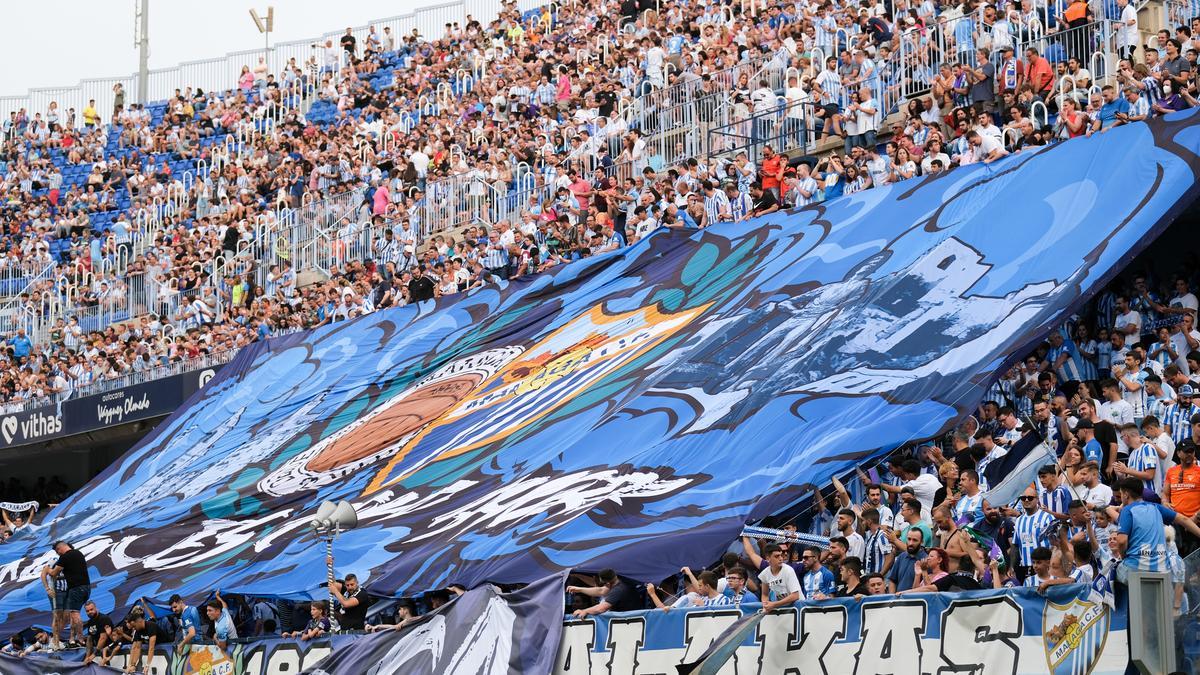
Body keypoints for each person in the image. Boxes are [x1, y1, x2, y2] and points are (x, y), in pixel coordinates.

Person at [1114, 477, 1200, 583]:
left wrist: (1124, 557)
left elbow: (1121, 541)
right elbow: (1184, 519)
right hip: (1161, 568)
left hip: (1135, 567)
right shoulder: (1157, 507)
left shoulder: (1127, 510)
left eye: (1121, 494)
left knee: (1112, 575)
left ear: (1126, 494)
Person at [44, 540, 89, 648]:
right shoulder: (79, 553)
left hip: (75, 588)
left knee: (74, 614)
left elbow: (53, 573)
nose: (58, 554)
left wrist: (48, 569)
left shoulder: (64, 558)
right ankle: (72, 639)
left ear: (59, 549)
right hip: (86, 587)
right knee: (73, 613)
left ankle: (81, 640)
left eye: (57, 552)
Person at [567, 569, 641, 618]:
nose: (603, 586)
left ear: (608, 583)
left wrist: (584, 611)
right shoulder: (618, 582)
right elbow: (601, 590)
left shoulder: (618, 590)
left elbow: (601, 608)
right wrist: (579, 589)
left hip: (630, 622)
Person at [758, 543, 803, 611]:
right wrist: (765, 605)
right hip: (783, 607)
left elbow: (795, 595)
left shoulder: (788, 570)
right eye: (777, 556)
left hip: (798, 607)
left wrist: (774, 604)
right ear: (768, 558)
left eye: (781, 555)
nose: (781, 558)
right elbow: (765, 595)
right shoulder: (764, 574)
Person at [125, 607, 167, 675]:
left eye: (134, 626)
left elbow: (151, 648)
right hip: (156, 648)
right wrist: (133, 665)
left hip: (165, 644)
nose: (134, 629)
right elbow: (137, 648)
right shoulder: (138, 630)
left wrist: (147, 665)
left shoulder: (151, 626)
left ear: (139, 621)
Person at [886, 528, 928, 592]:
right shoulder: (901, 557)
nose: (911, 543)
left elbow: (928, 586)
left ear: (922, 542)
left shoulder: (926, 560)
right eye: (909, 539)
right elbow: (892, 580)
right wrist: (893, 598)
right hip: (898, 599)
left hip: (917, 600)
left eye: (915, 540)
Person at [82, 601, 114, 665]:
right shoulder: (90, 622)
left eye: (91, 609)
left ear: (96, 608)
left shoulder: (104, 619)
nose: (90, 612)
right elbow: (89, 640)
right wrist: (87, 657)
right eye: (87, 611)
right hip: (99, 649)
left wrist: (93, 655)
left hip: (110, 648)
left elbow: (103, 638)